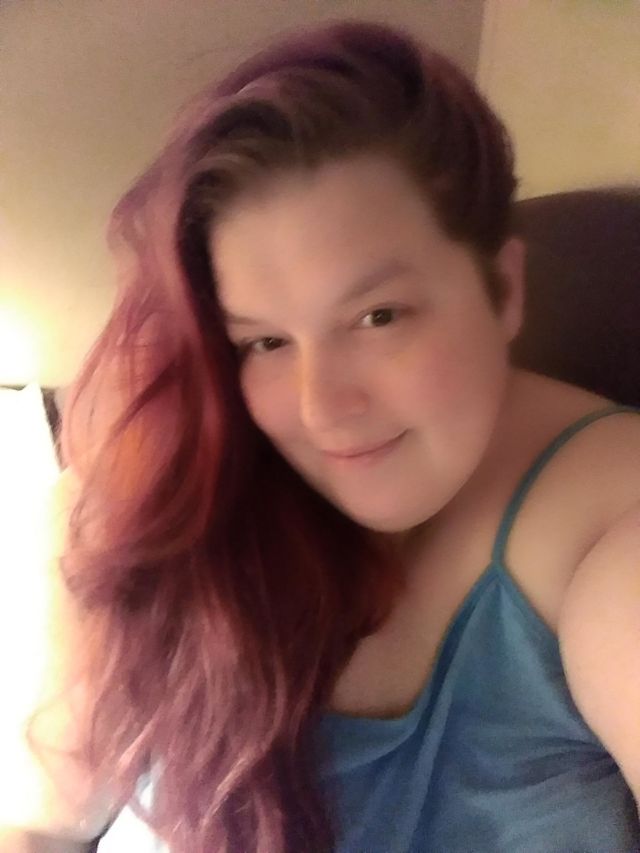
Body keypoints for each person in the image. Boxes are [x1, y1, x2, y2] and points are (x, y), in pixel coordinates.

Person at [7, 17, 640, 853]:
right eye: (266, 340)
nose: (320, 409)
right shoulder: (147, 498)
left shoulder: (610, 522)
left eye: (379, 316)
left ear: (505, 288)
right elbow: (41, 824)